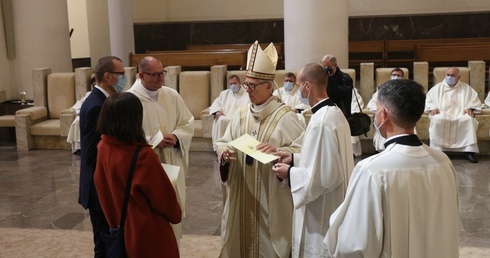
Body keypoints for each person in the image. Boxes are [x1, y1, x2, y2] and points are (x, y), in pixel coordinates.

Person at [325, 79, 459, 257]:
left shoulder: (372, 170)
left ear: (384, 115)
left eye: (377, 109)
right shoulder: (443, 162)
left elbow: (352, 244)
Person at [216, 41, 305, 258]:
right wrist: (224, 153)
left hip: (271, 197)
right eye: (246, 85)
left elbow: (302, 151)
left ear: (268, 86)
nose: (247, 91)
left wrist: (279, 151)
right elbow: (224, 141)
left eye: (252, 86)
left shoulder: (286, 117)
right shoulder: (242, 113)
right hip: (243, 192)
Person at [272, 63, 354, 258]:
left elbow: (324, 177)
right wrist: (293, 158)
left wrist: (289, 173)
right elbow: (325, 159)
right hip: (336, 201)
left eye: (300, 86)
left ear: (308, 86)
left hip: (322, 212)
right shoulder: (334, 113)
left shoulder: (321, 122)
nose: (299, 91)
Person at [94, 92, 182, 257]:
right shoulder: (142, 155)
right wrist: (176, 213)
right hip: (147, 233)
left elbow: (102, 187)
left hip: (118, 226)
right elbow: (164, 200)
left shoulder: (102, 147)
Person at [127, 56, 194, 241]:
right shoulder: (130, 100)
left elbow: (187, 122)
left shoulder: (171, 95)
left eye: (162, 73)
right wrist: (152, 140)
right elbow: (126, 136)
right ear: (141, 75)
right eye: (155, 74)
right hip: (148, 167)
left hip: (172, 161)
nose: (161, 78)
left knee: (173, 213)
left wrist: (177, 136)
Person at [78, 56, 127, 257]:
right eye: (121, 74)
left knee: (109, 241)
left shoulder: (101, 101)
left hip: (102, 187)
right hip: (99, 189)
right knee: (106, 244)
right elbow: (92, 154)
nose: (124, 78)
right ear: (108, 77)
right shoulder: (97, 106)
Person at [425, 67, 481, 163]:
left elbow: (474, 101)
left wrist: (469, 108)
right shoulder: (437, 88)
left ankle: (469, 151)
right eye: (448, 75)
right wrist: (433, 107)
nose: (449, 77)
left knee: (468, 120)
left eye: (452, 75)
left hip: (460, 114)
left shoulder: (466, 88)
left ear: (458, 77)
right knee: (436, 120)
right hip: (441, 114)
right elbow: (429, 100)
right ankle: (438, 151)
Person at [367, 68, 405, 152]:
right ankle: (381, 149)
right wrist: (381, 110)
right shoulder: (383, 88)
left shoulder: (406, 90)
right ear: (390, 76)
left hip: (400, 116)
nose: (395, 77)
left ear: (403, 77)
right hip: (385, 115)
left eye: (398, 75)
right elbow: (372, 103)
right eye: (394, 75)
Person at [209, 75, 250, 152]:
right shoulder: (224, 94)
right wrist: (218, 111)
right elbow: (216, 104)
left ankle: (238, 148)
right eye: (231, 84)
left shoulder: (247, 93)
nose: (233, 85)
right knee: (221, 120)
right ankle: (220, 149)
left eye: (235, 83)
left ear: (240, 83)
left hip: (241, 117)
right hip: (226, 117)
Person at [67, 74, 96, 154]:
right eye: (94, 84)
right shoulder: (88, 94)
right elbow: (80, 104)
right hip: (83, 115)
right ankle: (78, 148)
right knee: (77, 121)